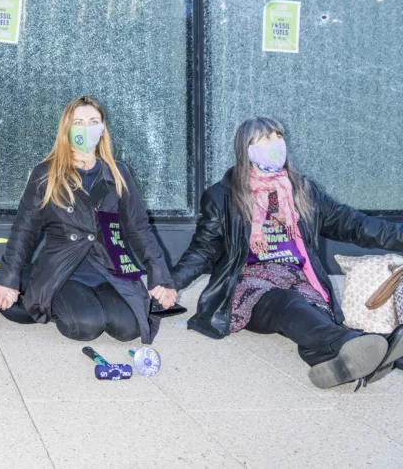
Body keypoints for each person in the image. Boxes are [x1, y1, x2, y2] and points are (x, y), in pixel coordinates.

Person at [172, 117, 403, 389]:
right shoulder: (223, 196)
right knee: (288, 304)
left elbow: (356, 225)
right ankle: (366, 344)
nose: (275, 144)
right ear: (246, 149)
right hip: (251, 285)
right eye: (265, 139)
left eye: (278, 137)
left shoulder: (302, 190)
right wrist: (170, 283)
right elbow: (203, 249)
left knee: (311, 316)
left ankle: (339, 361)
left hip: (299, 278)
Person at [0, 96, 177, 344]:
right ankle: (32, 287)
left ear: (102, 129)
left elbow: (139, 228)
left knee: (130, 328)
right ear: (66, 129)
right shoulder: (46, 174)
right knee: (86, 326)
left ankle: (92, 300)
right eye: (78, 122)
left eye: (93, 122)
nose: (86, 129)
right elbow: (24, 231)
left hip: (110, 266)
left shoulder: (118, 173)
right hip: (63, 270)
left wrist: (160, 277)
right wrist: (7, 280)